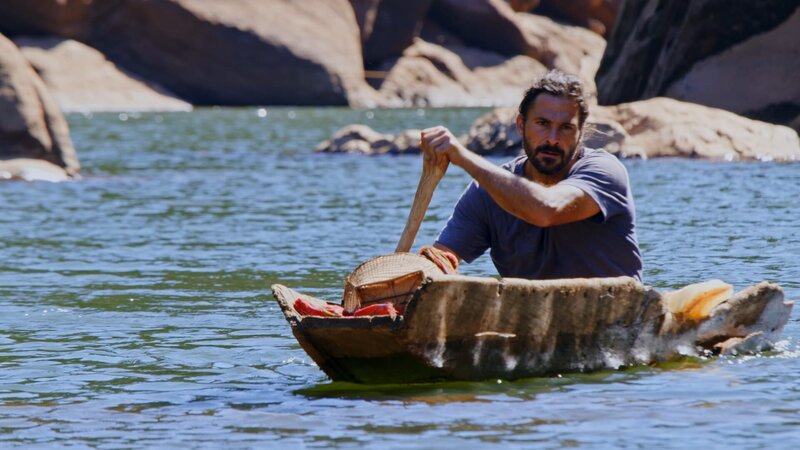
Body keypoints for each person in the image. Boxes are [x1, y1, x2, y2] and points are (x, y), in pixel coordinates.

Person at [419, 70, 643, 280]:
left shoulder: (604, 171)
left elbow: (546, 210)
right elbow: (442, 260)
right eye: (542, 124)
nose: (552, 139)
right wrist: (416, 279)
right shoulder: (486, 193)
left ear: (580, 132)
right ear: (521, 125)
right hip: (532, 319)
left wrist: (465, 158)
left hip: (614, 318)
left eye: (566, 127)